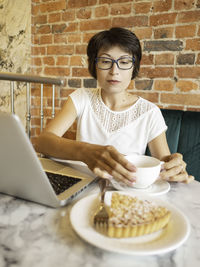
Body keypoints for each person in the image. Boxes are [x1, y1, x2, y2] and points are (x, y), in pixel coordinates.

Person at [36, 27, 194, 186]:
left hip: (126, 193)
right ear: (94, 65)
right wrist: (85, 152)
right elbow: (42, 142)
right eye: (105, 61)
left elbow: (164, 166)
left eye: (124, 62)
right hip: (80, 188)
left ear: (134, 67)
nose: (114, 71)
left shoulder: (150, 112)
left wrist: (174, 167)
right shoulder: (81, 97)